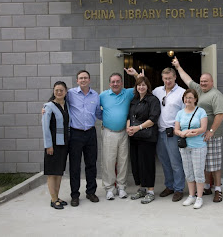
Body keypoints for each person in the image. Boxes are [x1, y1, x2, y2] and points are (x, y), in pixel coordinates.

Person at [172, 57, 223, 203]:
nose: (203, 83)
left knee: (213, 164)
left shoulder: (216, 95)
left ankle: (218, 190)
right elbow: (187, 79)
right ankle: (206, 187)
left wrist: (211, 130)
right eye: (201, 81)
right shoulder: (198, 91)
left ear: (212, 82)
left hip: (211, 134)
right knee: (202, 164)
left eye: (206, 81)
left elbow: (220, 114)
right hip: (198, 137)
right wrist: (178, 66)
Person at [99, 69, 139, 200]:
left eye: (117, 81)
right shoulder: (103, 96)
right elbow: (91, 108)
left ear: (121, 83)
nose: (115, 84)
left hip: (124, 133)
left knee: (123, 161)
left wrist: (135, 75)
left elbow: (141, 85)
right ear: (109, 84)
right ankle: (109, 188)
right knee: (109, 161)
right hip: (109, 132)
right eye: (113, 82)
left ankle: (121, 187)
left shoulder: (127, 93)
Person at [67, 70, 102, 207]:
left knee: (91, 164)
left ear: (89, 80)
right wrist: (46, 108)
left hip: (90, 133)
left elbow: (99, 113)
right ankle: (75, 195)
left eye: (85, 78)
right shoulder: (70, 94)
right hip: (75, 134)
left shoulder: (95, 95)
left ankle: (91, 192)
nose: (83, 80)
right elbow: (57, 101)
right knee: (75, 166)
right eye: (80, 78)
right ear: (77, 80)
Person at [152, 67, 186, 202]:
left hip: (173, 133)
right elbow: (142, 89)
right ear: (162, 79)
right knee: (164, 162)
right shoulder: (157, 91)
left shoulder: (182, 93)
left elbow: (185, 113)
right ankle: (169, 186)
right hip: (160, 132)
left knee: (176, 163)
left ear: (175, 77)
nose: (167, 81)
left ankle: (178, 189)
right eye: (165, 78)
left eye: (170, 78)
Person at [126, 77, 161, 204]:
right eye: (139, 85)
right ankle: (141, 188)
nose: (141, 87)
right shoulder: (134, 100)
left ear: (148, 87)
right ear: (136, 87)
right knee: (136, 164)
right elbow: (129, 116)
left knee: (147, 164)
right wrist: (129, 128)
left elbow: (153, 119)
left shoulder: (153, 100)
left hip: (147, 137)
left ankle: (150, 191)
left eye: (144, 85)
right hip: (135, 137)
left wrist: (138, 127)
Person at [175, 89, 208, 209]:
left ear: (195, 99)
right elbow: (176, 129)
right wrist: (182, 134)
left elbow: (203, 128)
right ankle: (191, 195)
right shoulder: (180, 113)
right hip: (185, 146)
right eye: (186, 97)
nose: (187, 100)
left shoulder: (201, 111)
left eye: (190, 98)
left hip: (198, 146)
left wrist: (192, 132)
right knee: (188, 172)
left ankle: (199, 198)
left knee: (198, 172)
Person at [42, 81, 70, 210]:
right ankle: (53, 200)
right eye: (56, 90)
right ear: (53, 91)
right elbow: (45, 127)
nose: (59, 92)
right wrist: (49, 145)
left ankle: (57, 197)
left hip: (63, 144)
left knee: (59, 172)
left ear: (65, 91)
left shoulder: (66, 105)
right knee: (52, 173)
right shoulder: (48, 106)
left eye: (61, 90)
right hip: (52, 145)